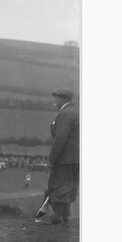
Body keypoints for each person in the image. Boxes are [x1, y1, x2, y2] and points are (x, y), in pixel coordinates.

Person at [41, 88, 80, 225]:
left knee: (58, 187)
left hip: (64, 158)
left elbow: (60, 139)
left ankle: (57, 216)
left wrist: (52, 159)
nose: (54, 101)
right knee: (68, 186)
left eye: (55, 98)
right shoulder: (77, 111)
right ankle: (66, 216)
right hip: (76, 158)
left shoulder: (65, 114)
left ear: (61, 99)